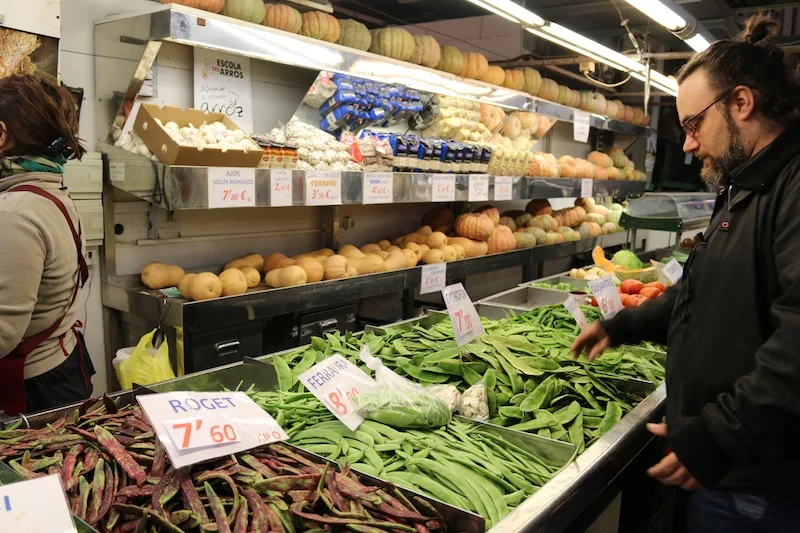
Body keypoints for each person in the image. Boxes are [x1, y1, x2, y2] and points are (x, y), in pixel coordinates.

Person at [572, 14, 800, 532]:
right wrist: (623, 325)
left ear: (741, 103)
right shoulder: (747, 184)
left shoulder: (792, 185)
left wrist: (721, 434)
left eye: (694, 124)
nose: (690, 144)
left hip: (762, 483)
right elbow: (703, 288)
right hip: (734, 473)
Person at [0, 74, 94, 414]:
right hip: (60, 368)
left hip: (32, 389)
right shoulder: (48, 192)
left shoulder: (14, 211)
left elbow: (3, 332)